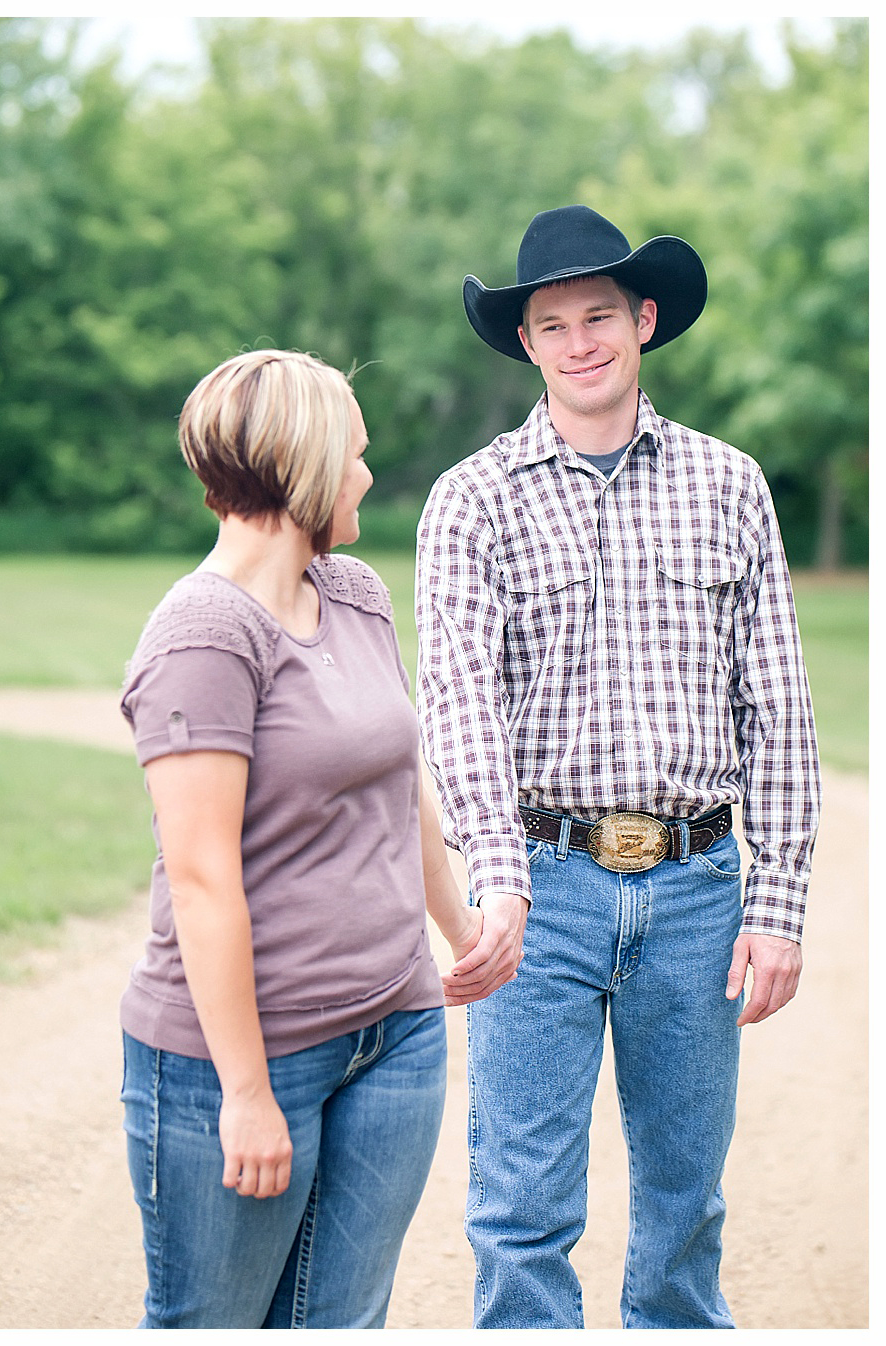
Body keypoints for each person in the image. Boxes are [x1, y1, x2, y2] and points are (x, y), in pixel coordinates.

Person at [416, 205, 820, 1328]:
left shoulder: (731, 484)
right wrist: (499, 877)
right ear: (528, 343)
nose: (581, 339)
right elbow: (458, 704)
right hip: (540, 884)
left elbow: (777, 705)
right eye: (554, 323)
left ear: (643, 320)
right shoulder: (473, 499)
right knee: (522, 1201)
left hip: (698, 887)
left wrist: (778, 903)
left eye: (601, 314)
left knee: (687, 1199)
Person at [117, 349, 519, 1329]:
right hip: (248, 1054)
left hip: (396, 1029)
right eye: (356, 455)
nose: (368, 477)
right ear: (302, 462)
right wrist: (248, 1092)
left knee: (345, 1321)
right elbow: (204, 879)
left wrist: (457, 923)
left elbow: (398, 778)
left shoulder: (356, 592)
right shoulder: (203, 634)